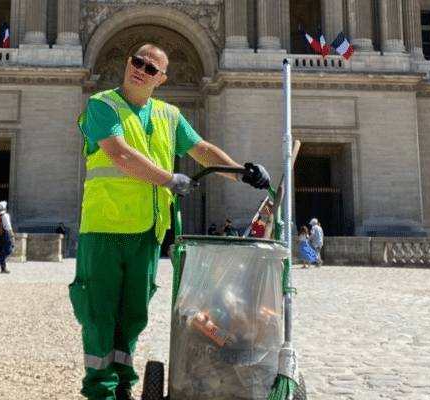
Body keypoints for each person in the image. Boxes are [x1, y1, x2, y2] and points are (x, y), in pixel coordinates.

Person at [69, 43, 271, 400]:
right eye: (136, 61)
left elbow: (202, 150)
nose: (140, 69)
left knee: (132, 315)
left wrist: (242, 173)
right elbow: (119, 154)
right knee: (99, 312)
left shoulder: (169, 115)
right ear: (127, 62)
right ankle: (100, 391)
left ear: (161, 80)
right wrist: (168, 179)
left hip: (147, 231)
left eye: (150, 68)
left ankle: (123, 387)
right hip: (104, 227)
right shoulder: (102, 104)